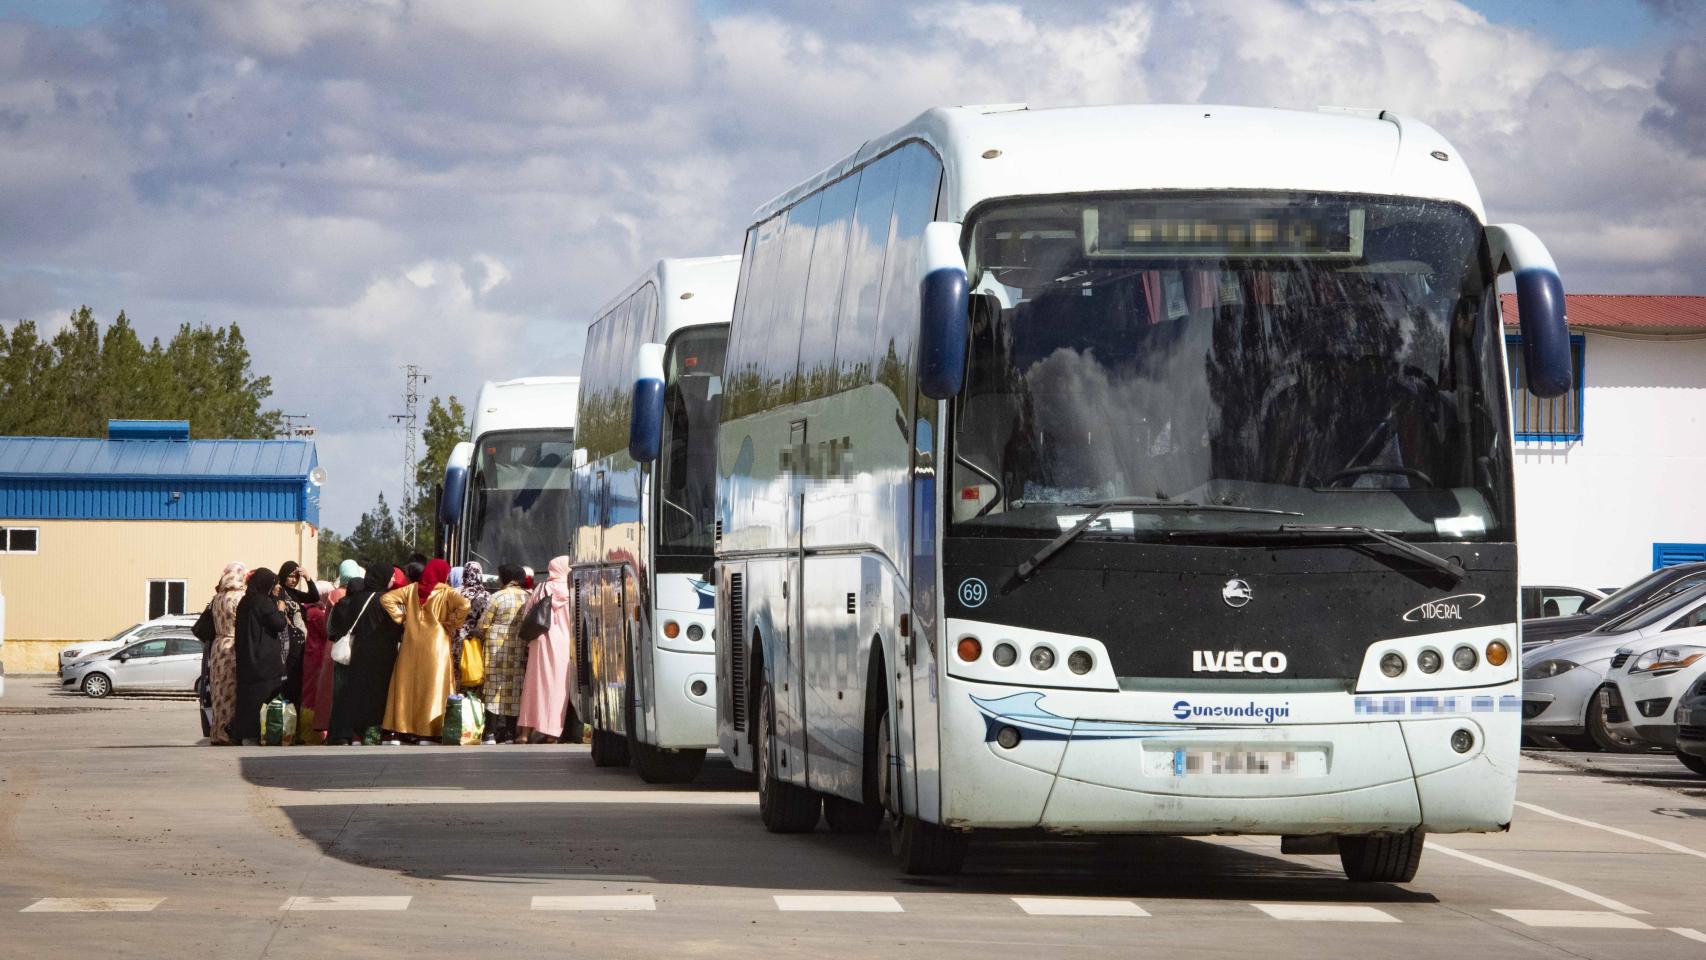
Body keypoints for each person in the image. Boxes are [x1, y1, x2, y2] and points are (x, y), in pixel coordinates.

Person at [381, 558, 470, 742]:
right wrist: (454, 622)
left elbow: (386, 598)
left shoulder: (412, 588)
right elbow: (465, 605)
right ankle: (429, 731)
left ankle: (405, 728)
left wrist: (403, 618)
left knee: (408, 684)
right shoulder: (446, 592)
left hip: (411, 642)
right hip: (436, 644)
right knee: (434, 686)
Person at [327, 563, 403, 746]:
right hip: (382, 655)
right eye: (391, 576)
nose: (393, 579)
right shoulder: (386, 599)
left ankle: (356, 734)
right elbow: (396, 628)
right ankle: (375, 732)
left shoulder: (355, 599)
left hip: (359, 653)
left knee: (358, 692)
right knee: (378, 693)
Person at [517, 556, 576, 744]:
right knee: (559, 688)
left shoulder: (542, 588)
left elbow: (527, 615)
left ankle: (525, 733)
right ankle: (552, 733)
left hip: (540, 641)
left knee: (533, 686)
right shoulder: (573, 590)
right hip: (564, 645)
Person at [473, 564, 530, 743]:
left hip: (496, 648)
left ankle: (490, 732)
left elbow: (483, 624)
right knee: (515, 689)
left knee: (493, 687)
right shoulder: (528, 597)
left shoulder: (497, 596)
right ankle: (511, 733)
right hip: (520, 647)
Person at [232, 568, 288, 745]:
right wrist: (280, 610)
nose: (278, 587)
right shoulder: (264, 603)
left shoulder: (245, 602)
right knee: (262, 697)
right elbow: (278, 625)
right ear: (266, 585)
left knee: (247, 697)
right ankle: (260, 733)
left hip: (247, 657)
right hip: (264, 659)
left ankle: (242, 733)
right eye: (275, 583)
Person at [206, 561, 247, 745]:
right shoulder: (240, 597)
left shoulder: (218, 598)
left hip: (217, 646)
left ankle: (217, 732)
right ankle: (229, 733)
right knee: (231, 692)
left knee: (218, 691)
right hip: (232, 646)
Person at [276, 561, 321, 705]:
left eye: (296, 577)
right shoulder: (279, 591)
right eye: (290, 576)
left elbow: (314, 597)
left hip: (299, 644)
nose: (294, 580)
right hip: (286, 645)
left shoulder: (293, 593)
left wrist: (308, 578)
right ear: (283, 576)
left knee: (297, 682)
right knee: (288, 682)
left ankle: (293, 719)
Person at [297, 581, 335, 744]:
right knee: (313, 695)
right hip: (318, 656)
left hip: (310, 655)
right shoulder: (318, 614)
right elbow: (328, 632)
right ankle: (312, 734)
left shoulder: (308, 610)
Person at [454, 560, 491, 688]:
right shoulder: (486, 595)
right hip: (475, 639)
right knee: (473, 670)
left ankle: (455, 702)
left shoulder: (455, 592)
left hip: (456, 637)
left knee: (457, 672)